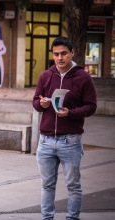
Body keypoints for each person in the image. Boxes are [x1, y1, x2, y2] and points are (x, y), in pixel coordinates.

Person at [32, 36, 97, 220]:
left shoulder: (83, 77)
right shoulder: (46, 75)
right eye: (56, 54)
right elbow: (35, 102)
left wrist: (71, 113)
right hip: (45, 141)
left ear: (72, 53)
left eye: (63, 54)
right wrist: (42, 104)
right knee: (47, 185)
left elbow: (91, 106)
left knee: (73, 186)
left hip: (70, 141)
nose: (60, 58)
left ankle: (72, 218)